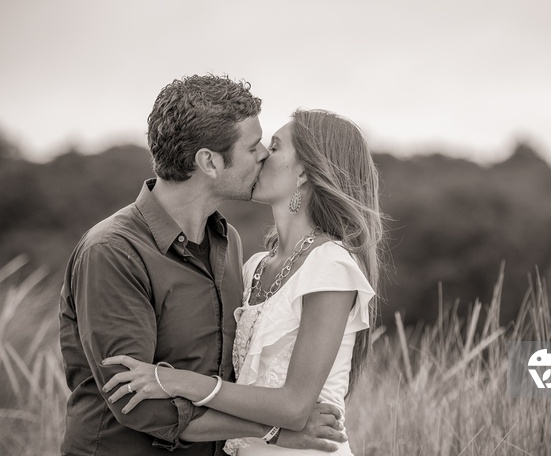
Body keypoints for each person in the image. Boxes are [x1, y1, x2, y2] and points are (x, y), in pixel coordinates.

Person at [59, 76, 346, 456]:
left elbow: (229, 377)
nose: (262, 154)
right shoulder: (113, 251)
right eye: (252, 146)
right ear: (209, 161)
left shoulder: (228, 243)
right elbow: (139, 404)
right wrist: (274, 430)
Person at [102, 108, 384, 455]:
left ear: (305, 173)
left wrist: (177, 380)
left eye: (276, 146)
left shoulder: (331, 265)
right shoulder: (253, 267)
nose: (263, 153)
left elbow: (295, 407)